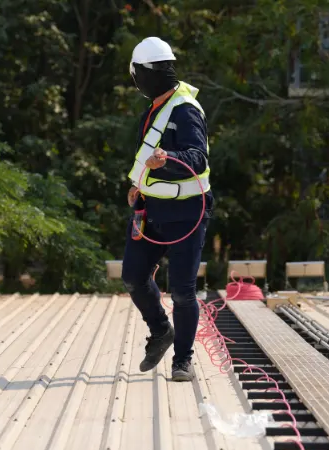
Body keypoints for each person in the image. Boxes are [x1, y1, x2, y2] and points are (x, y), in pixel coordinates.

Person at [121, 37, 214, 382]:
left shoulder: (186, 110)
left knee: (183, 291)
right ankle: (161, 330)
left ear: (143, 74)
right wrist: (139, 185)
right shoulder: (156, 109)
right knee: (132, 275)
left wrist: (168, 159)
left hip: (187, 214)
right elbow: (147, 159)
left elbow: (198, 158)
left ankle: (183, 360)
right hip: (153, 211)